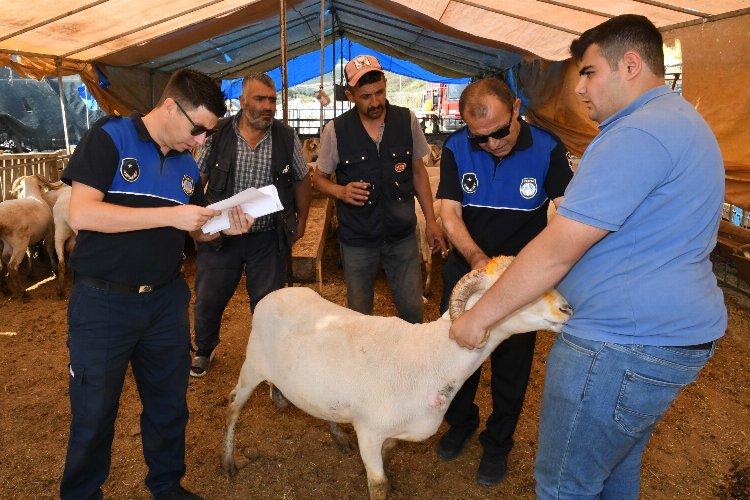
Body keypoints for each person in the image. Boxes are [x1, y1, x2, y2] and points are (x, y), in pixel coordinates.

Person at [450, 14, 727, 498]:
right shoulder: (677, 121)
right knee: (612, 473)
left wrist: (480, 318)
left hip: (619, 343)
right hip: (654, 335)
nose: (579, 88)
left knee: (565, 485)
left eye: (589, 72)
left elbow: (559, 248)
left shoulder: (638, 134)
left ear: (631, 65)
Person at [61, 69, 252, 499]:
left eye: (208, 133)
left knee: (169, 405)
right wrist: (171, 215)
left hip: (165, 300)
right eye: (198, 129)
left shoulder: (186, 165)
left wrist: (224, 226)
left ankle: (167, 487)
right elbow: (82, 215)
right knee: (94, 412)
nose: (201, 141)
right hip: (103, 302)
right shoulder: (110, 139)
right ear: (170, 107)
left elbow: (197, 230)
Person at [434, 77, 573, 486]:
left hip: (522, 280)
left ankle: (498, 444)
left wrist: (524, 269)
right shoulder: (456, 147)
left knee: (511, 366)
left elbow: (567, 215)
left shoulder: (548, 149)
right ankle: (460, 423)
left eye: (500, 132)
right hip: (468, 275)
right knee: (459, 355)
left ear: (515, 107)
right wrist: (479, 262)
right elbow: (449, 214)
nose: (493, 144)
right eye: (482, 138)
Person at [190, 72, 311, 377]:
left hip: (267, 237)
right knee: (209, 296)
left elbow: (301, 178)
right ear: (243, 101)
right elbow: (197, 179)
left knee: (268, 303)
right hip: (221, 236)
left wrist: (302, 220)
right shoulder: (217, 135)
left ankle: (270, 358)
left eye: (272, 100)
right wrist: (195, 220)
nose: (268, 106)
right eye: (260, 99)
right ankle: (204, 348)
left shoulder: (285, 137)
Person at [313, 54, 446, 323]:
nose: (375, 102)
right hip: (358, 239)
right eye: (365, 96)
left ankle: (408, 364)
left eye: (380, 93)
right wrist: (340, 191)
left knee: (411, 310)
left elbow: (418, 172)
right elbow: (318, 178)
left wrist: (431, 221)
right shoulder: (335, 131)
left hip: (402, 237)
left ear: (385, 84)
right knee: (359, 314)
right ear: (350, 95)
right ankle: (363, 364)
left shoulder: (407, 120)